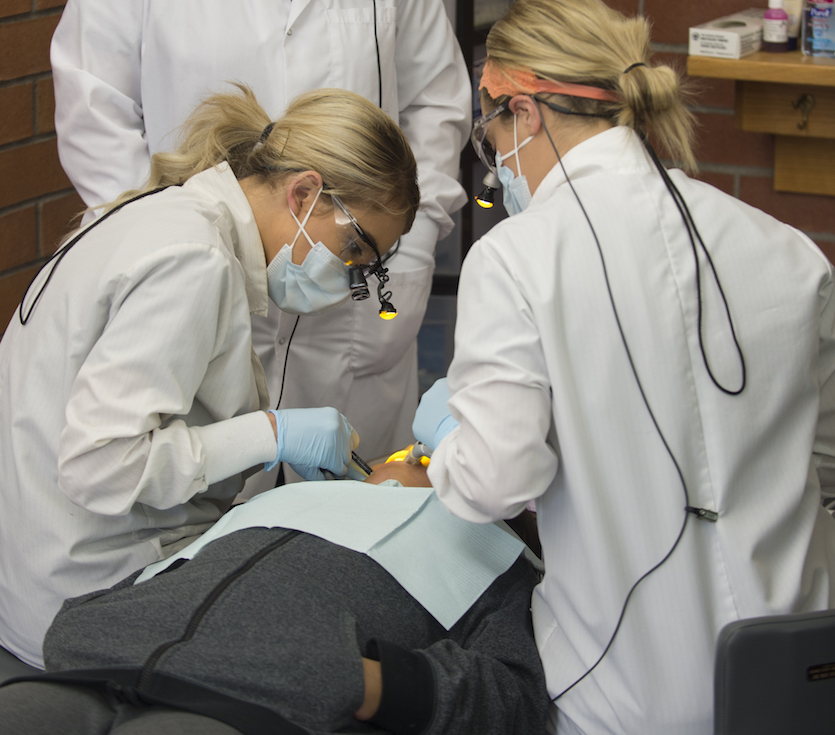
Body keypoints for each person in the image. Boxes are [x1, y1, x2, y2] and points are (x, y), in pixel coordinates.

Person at [410, 1, 835, 733]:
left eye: (491, 129)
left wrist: (445, 433)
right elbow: (820, 458)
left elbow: (497, 480)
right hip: (801, 671)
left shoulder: (516, 256)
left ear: (520, 109)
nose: (494, 155)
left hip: (626, 692)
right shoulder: (786, 247)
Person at [0, 85, 419, 669]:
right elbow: (100, 466)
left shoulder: (170, 218)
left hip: (39, 576)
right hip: (87, 601)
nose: (352, 277)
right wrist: (271, 434)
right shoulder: (193, 259)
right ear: (303, 193)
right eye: (355, 249)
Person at [50, 1, 472, 487]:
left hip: (355, 299)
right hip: (190, 272)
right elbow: (94, 107)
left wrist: (393, 252)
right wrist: (168, 235)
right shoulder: (181, 261)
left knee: (364, 515)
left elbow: (436, 103)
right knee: (217, 513)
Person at [0, 462, 550, 735]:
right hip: (96, 662)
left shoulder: (502, 560)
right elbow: (169, 574)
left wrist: (358, 681)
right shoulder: (295, 497)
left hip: (249, 704)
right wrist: (92, 617)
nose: (419, 455)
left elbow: (514, 696)